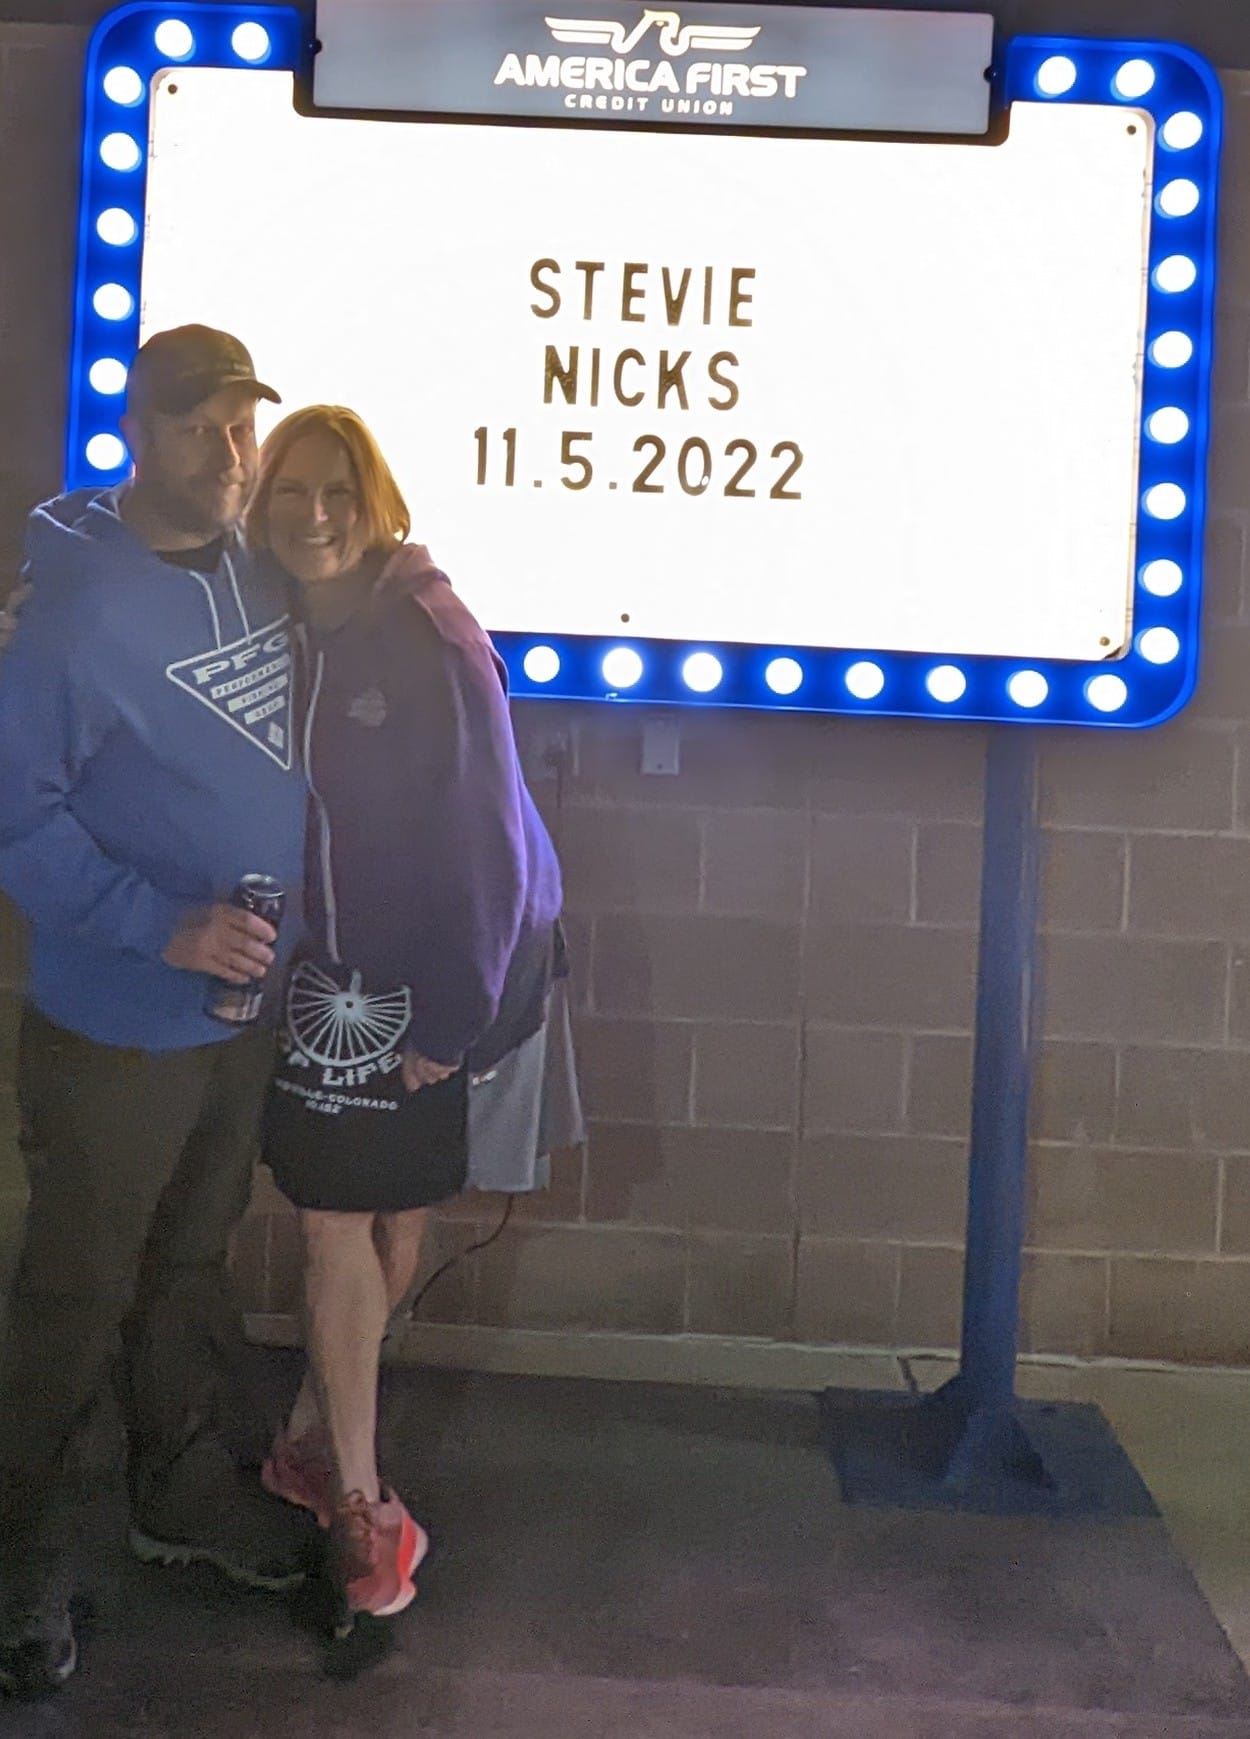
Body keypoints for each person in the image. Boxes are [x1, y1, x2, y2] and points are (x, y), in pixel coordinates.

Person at [0, 327, 319, 1699]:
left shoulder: (261, 563)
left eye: (245, 423)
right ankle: (16, 1565)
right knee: (71, 1299)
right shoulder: (72, 611)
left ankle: (176, 1495)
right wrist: (159, 924)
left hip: (234, 1017)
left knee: (189, 1273)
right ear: (138, 427)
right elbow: (17, 821)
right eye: (201, 427)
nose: (233, 452)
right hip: (116, 1028)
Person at [243, 405, 582, 1626]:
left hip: (438, 974)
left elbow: (486, 842)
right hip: (337, 971)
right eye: (291, 492)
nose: (314, 516)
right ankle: (335, 1464)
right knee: (348, 1216)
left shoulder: (430, 637)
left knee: (375, 1217)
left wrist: (448, 1017)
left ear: (376, 499)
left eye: (339, 491)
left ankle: (352, 1489)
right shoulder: (274, 623)